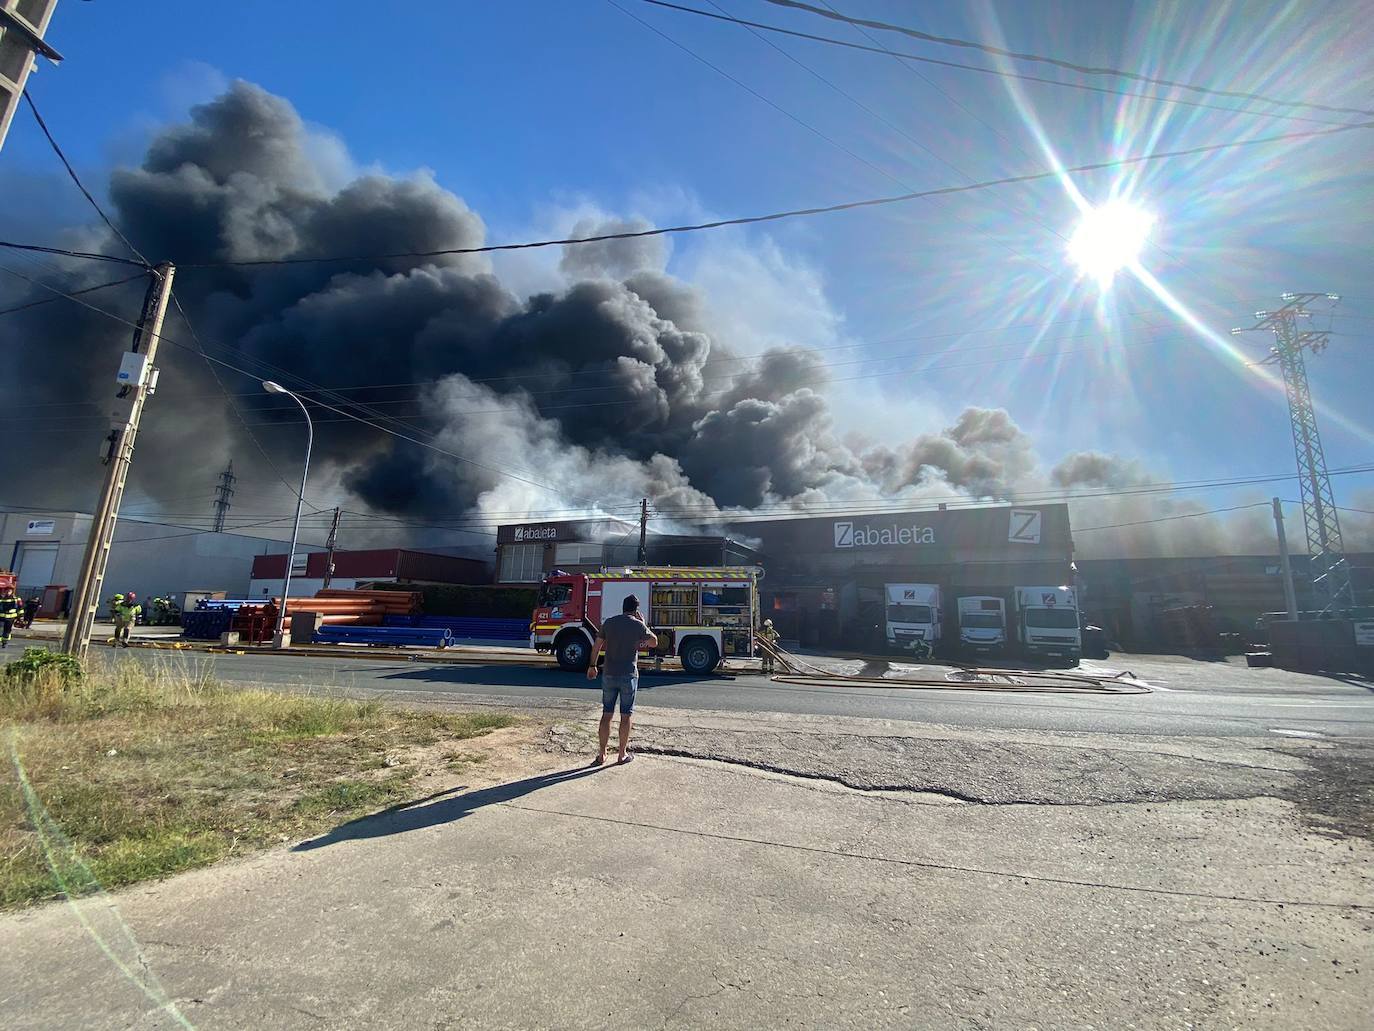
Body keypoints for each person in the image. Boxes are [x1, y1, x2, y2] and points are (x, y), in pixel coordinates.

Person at [586, 594, 658, 766]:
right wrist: (644, 625)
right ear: (636, 609)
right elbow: (654, 643)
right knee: (626, 716)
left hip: (609, 674)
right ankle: (621, 755)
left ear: (623, 607)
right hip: (628, 675)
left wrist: (592, 666)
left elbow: (596, 646)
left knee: (607, 714)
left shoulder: (609, 623)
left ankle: (602, 754)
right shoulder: (637, 625)